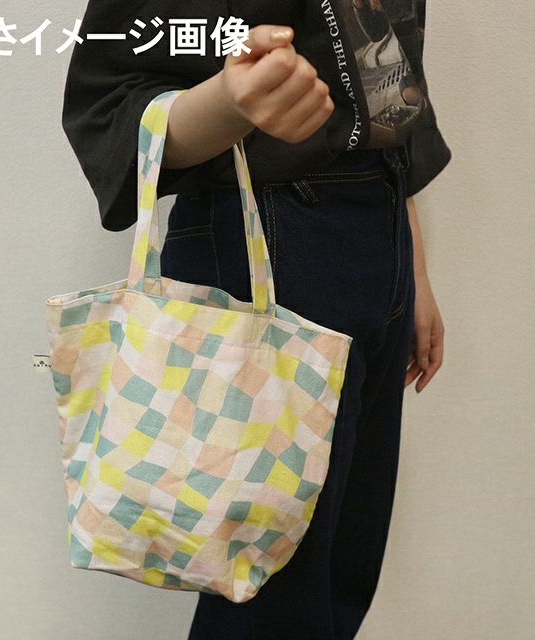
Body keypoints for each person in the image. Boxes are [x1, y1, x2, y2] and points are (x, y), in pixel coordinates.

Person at [62, 2, 452, 638]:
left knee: (342, 570)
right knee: (278, 596)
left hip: (377, 226)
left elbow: (389, 92)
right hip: (269, 232)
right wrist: (228, 101)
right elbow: (109, 99)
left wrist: (413, 269)